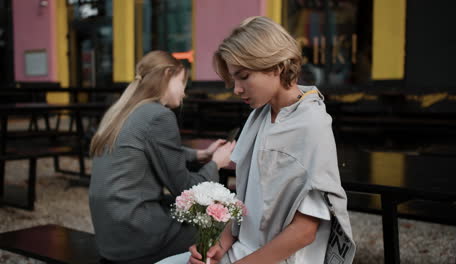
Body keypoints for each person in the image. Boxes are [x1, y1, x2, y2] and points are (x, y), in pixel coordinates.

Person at [157, 16, 356, 264]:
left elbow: (304, 232)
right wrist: (218, 245)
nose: (236, 89)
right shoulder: (260, 117)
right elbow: (245, 204)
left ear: (276, 66)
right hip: (243, 250)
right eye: (233, 79)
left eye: (243, 76)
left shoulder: (312, 125)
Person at [88, 50, 236, 264]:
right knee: (224, 223)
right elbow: (188, 191)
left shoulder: (125, 111)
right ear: (168, 74)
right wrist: (216, 163)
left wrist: (201, 154)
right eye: (183, 82)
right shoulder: (159, 116)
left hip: (111, 235)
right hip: (136, 236)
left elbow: (154, 151)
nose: (184, 92)